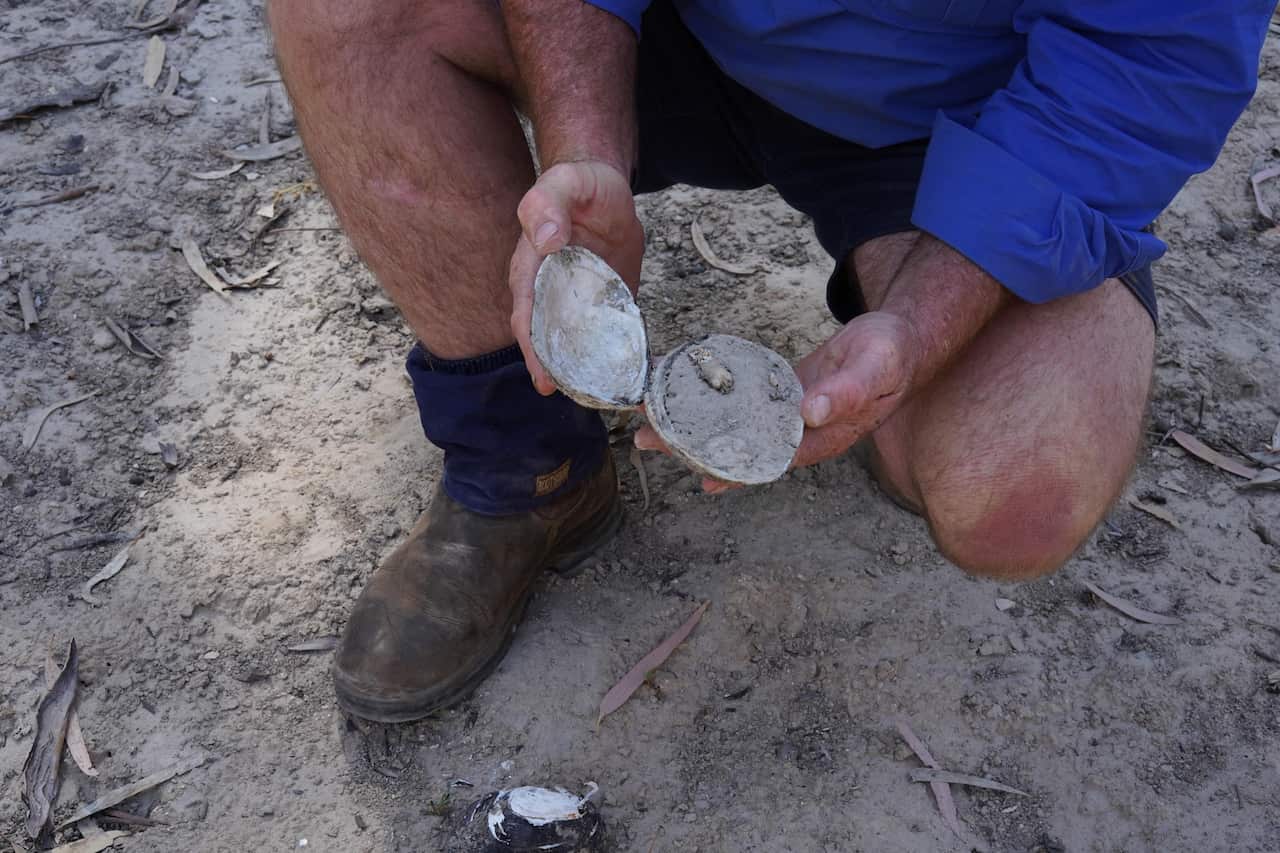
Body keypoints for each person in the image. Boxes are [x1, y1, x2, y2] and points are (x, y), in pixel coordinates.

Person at [266, 0, 1274, 722]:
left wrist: (919, 327)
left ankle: (896, 331)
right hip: (670, 33)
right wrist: (584, 147)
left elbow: (1144, 63)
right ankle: (519, 465)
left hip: (962, 109)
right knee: (348, 12)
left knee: (1013, 493)